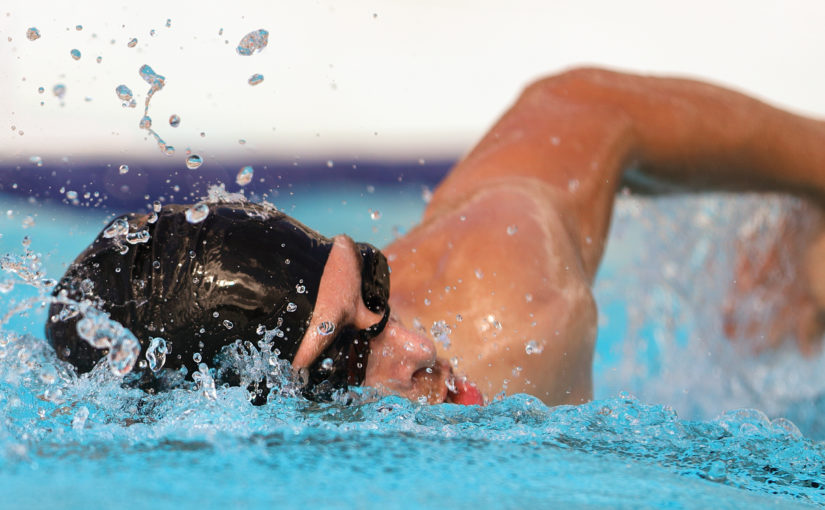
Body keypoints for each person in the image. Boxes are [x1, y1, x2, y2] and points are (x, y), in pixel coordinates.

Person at [46, 68, 825, 406]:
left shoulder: (513, 307)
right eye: (348, 357)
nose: (419, 351)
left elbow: (584, 106)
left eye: (373, 289)